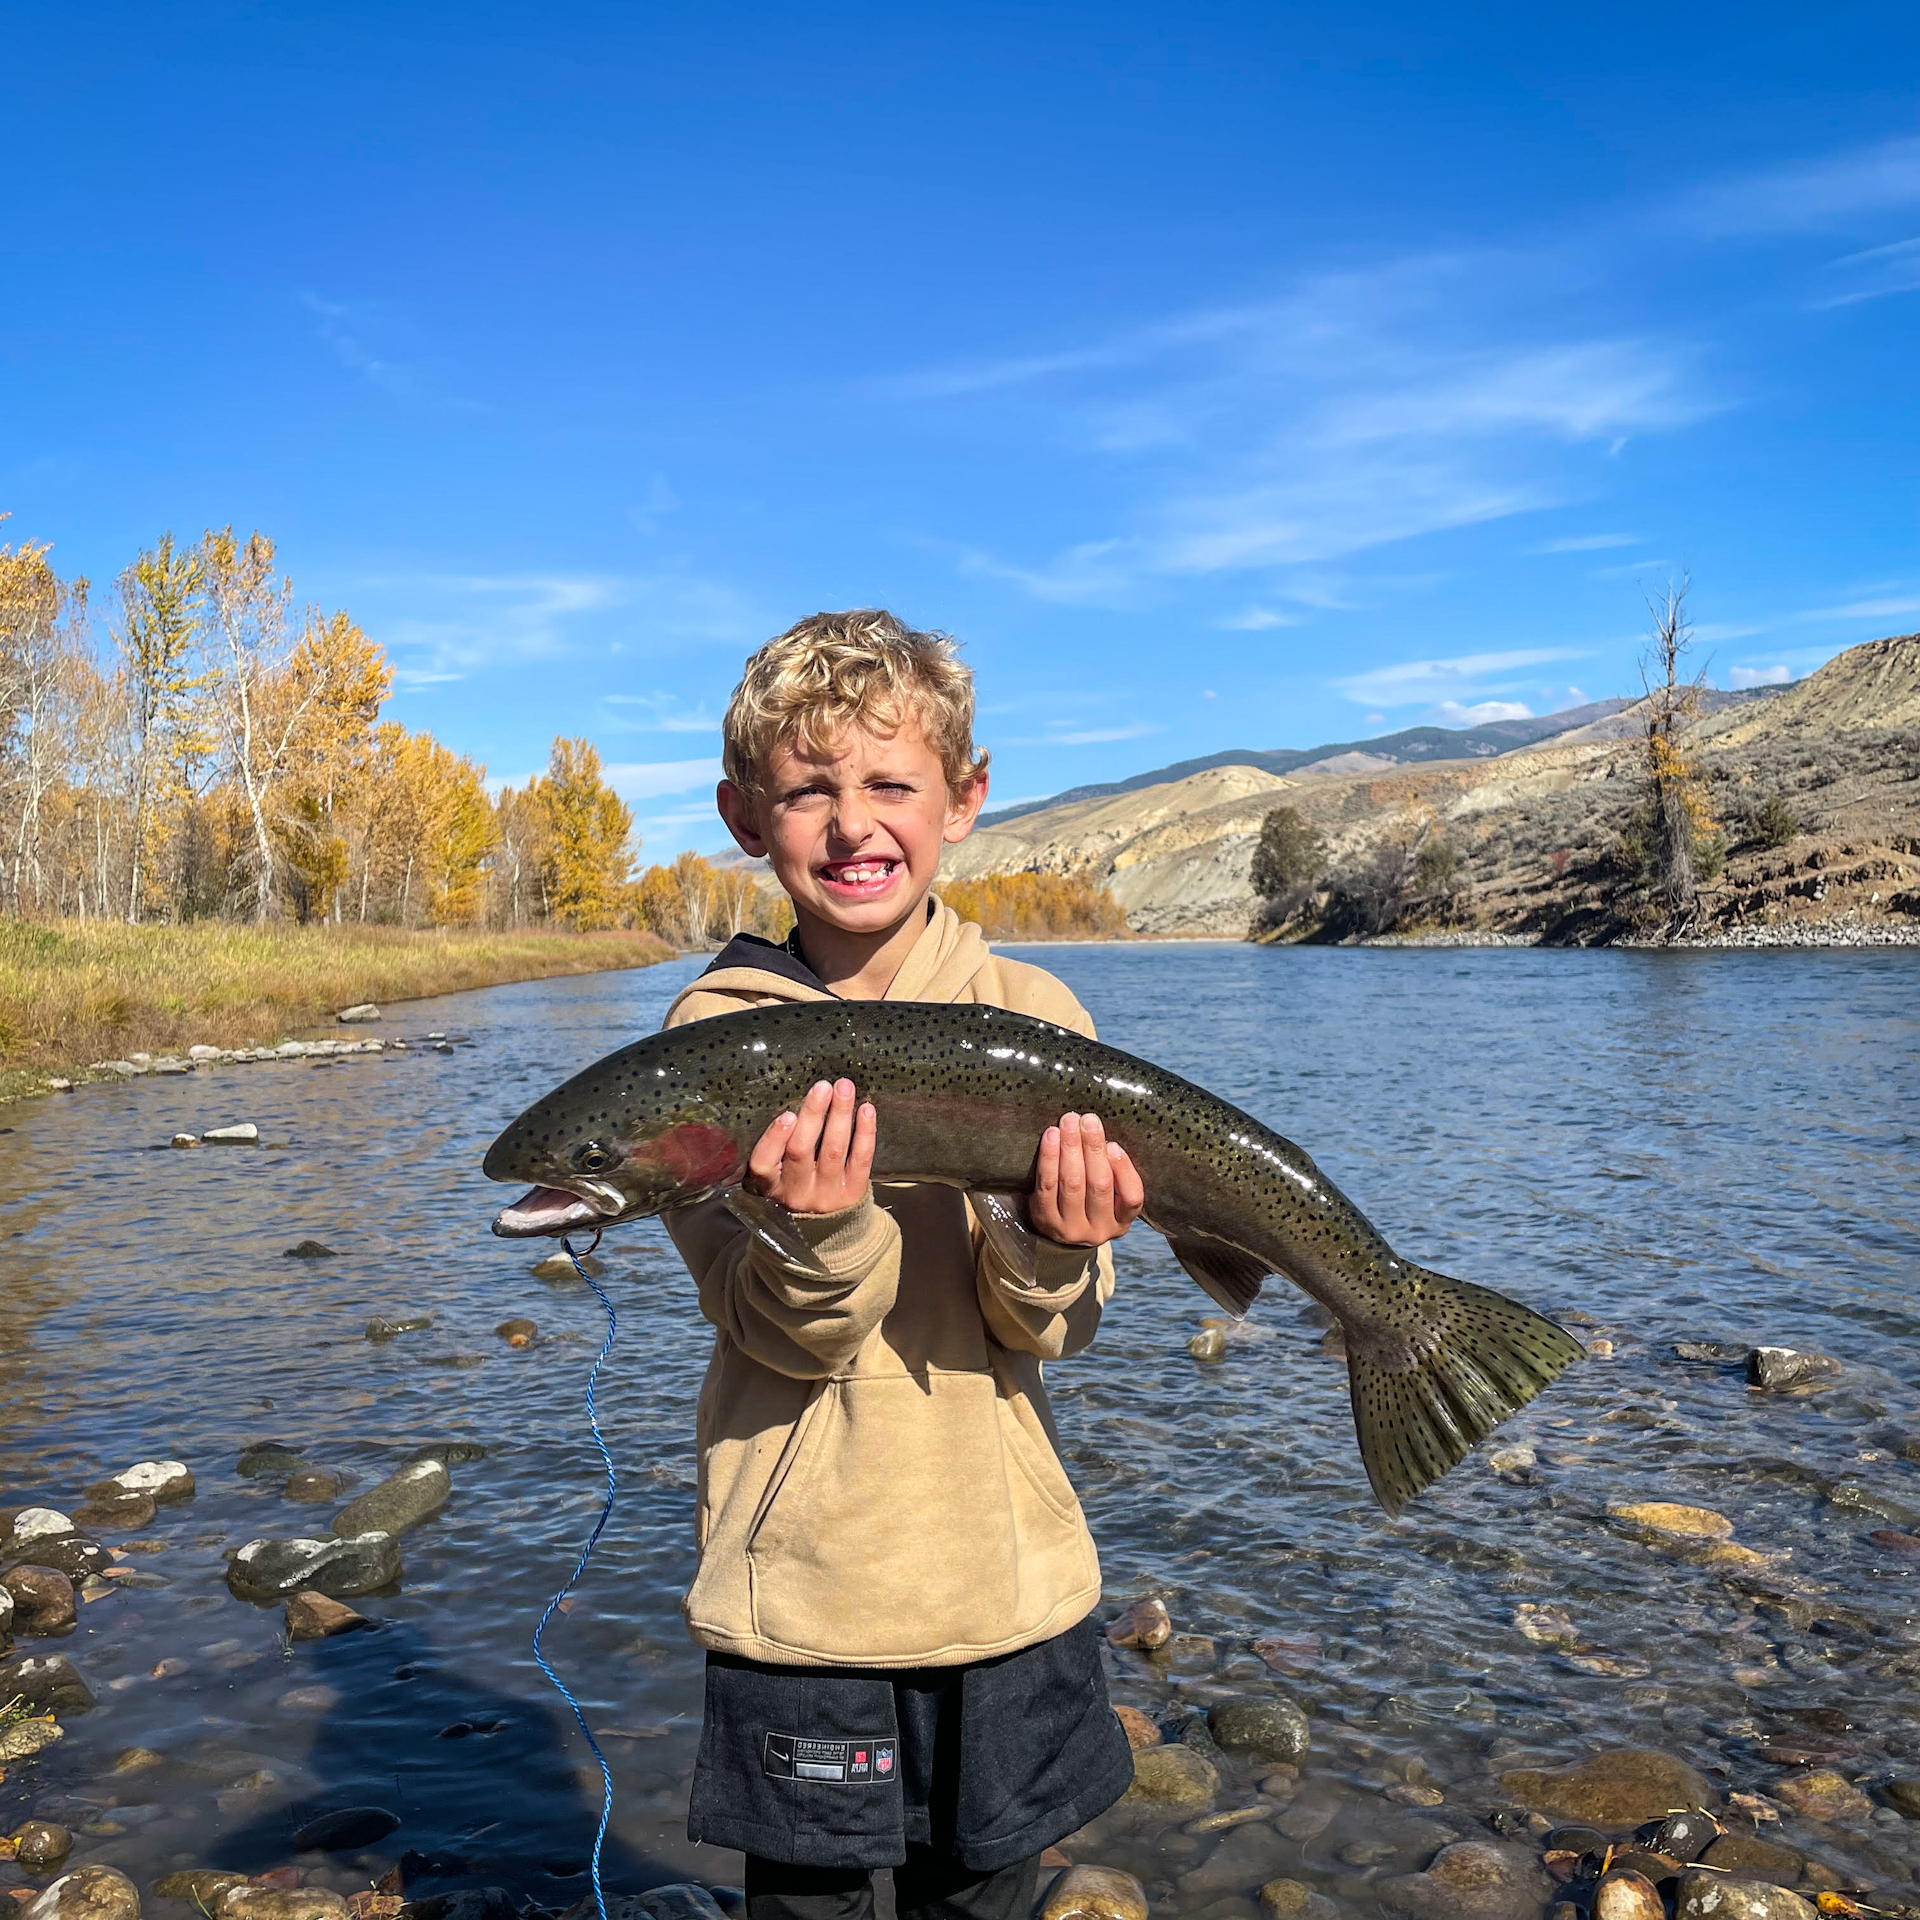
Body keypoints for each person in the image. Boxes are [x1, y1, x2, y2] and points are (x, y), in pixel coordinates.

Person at [660, 609, 1143, 1920]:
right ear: (745, 816)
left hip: (1007, 1585)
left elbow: (1051, 1327)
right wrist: (816, 1229)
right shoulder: (709, 1046)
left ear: (965, 798)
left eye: (890, 784)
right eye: (808, 790)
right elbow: (780, 1333)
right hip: (803, 1603)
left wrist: (1050, 1243)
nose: (852, 824)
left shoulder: (1042, 1021)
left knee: (986, 1899)